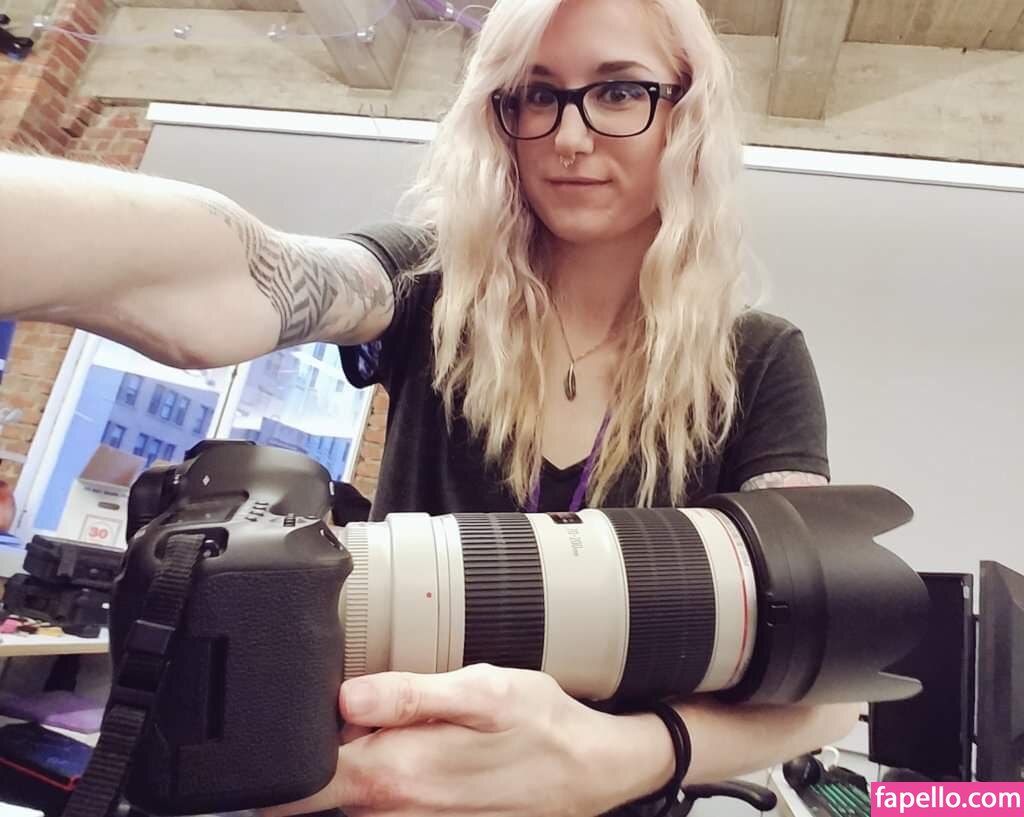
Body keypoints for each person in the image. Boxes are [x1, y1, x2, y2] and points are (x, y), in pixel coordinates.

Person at [0, 0, 861, 813]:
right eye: (536, 95)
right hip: (375, 791)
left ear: (687, 113)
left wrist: (620, 756)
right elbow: (245, 277)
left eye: (618, 92)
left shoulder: (758, 361)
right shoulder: (428, 289)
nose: (568, 136)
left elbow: (830, 687)